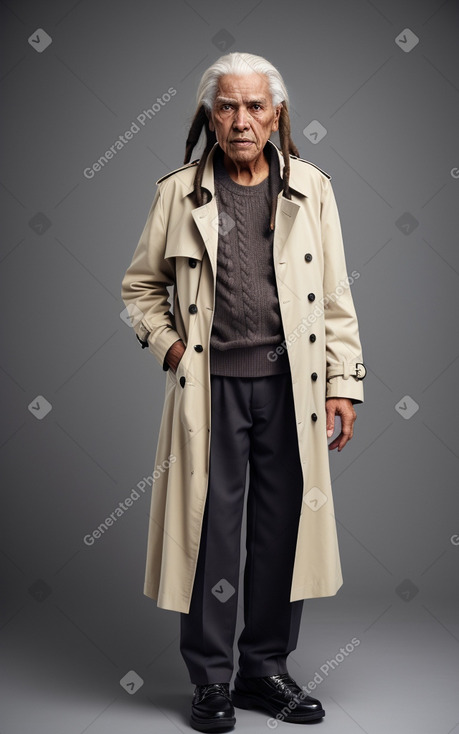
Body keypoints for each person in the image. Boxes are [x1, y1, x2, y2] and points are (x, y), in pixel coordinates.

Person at [121, 51, 366, 731]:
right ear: (209, 114)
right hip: (209, 393)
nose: (240, 119)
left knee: (282, 531)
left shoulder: (312, 188)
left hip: (293, 390)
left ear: (276, 114)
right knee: (210, 533)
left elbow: (337, 299)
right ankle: (210, 680)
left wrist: (343, 383)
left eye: (255, 106)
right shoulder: (177, 192)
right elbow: (138, 289)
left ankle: (264, 670)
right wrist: (169, 346)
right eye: (226, 106)